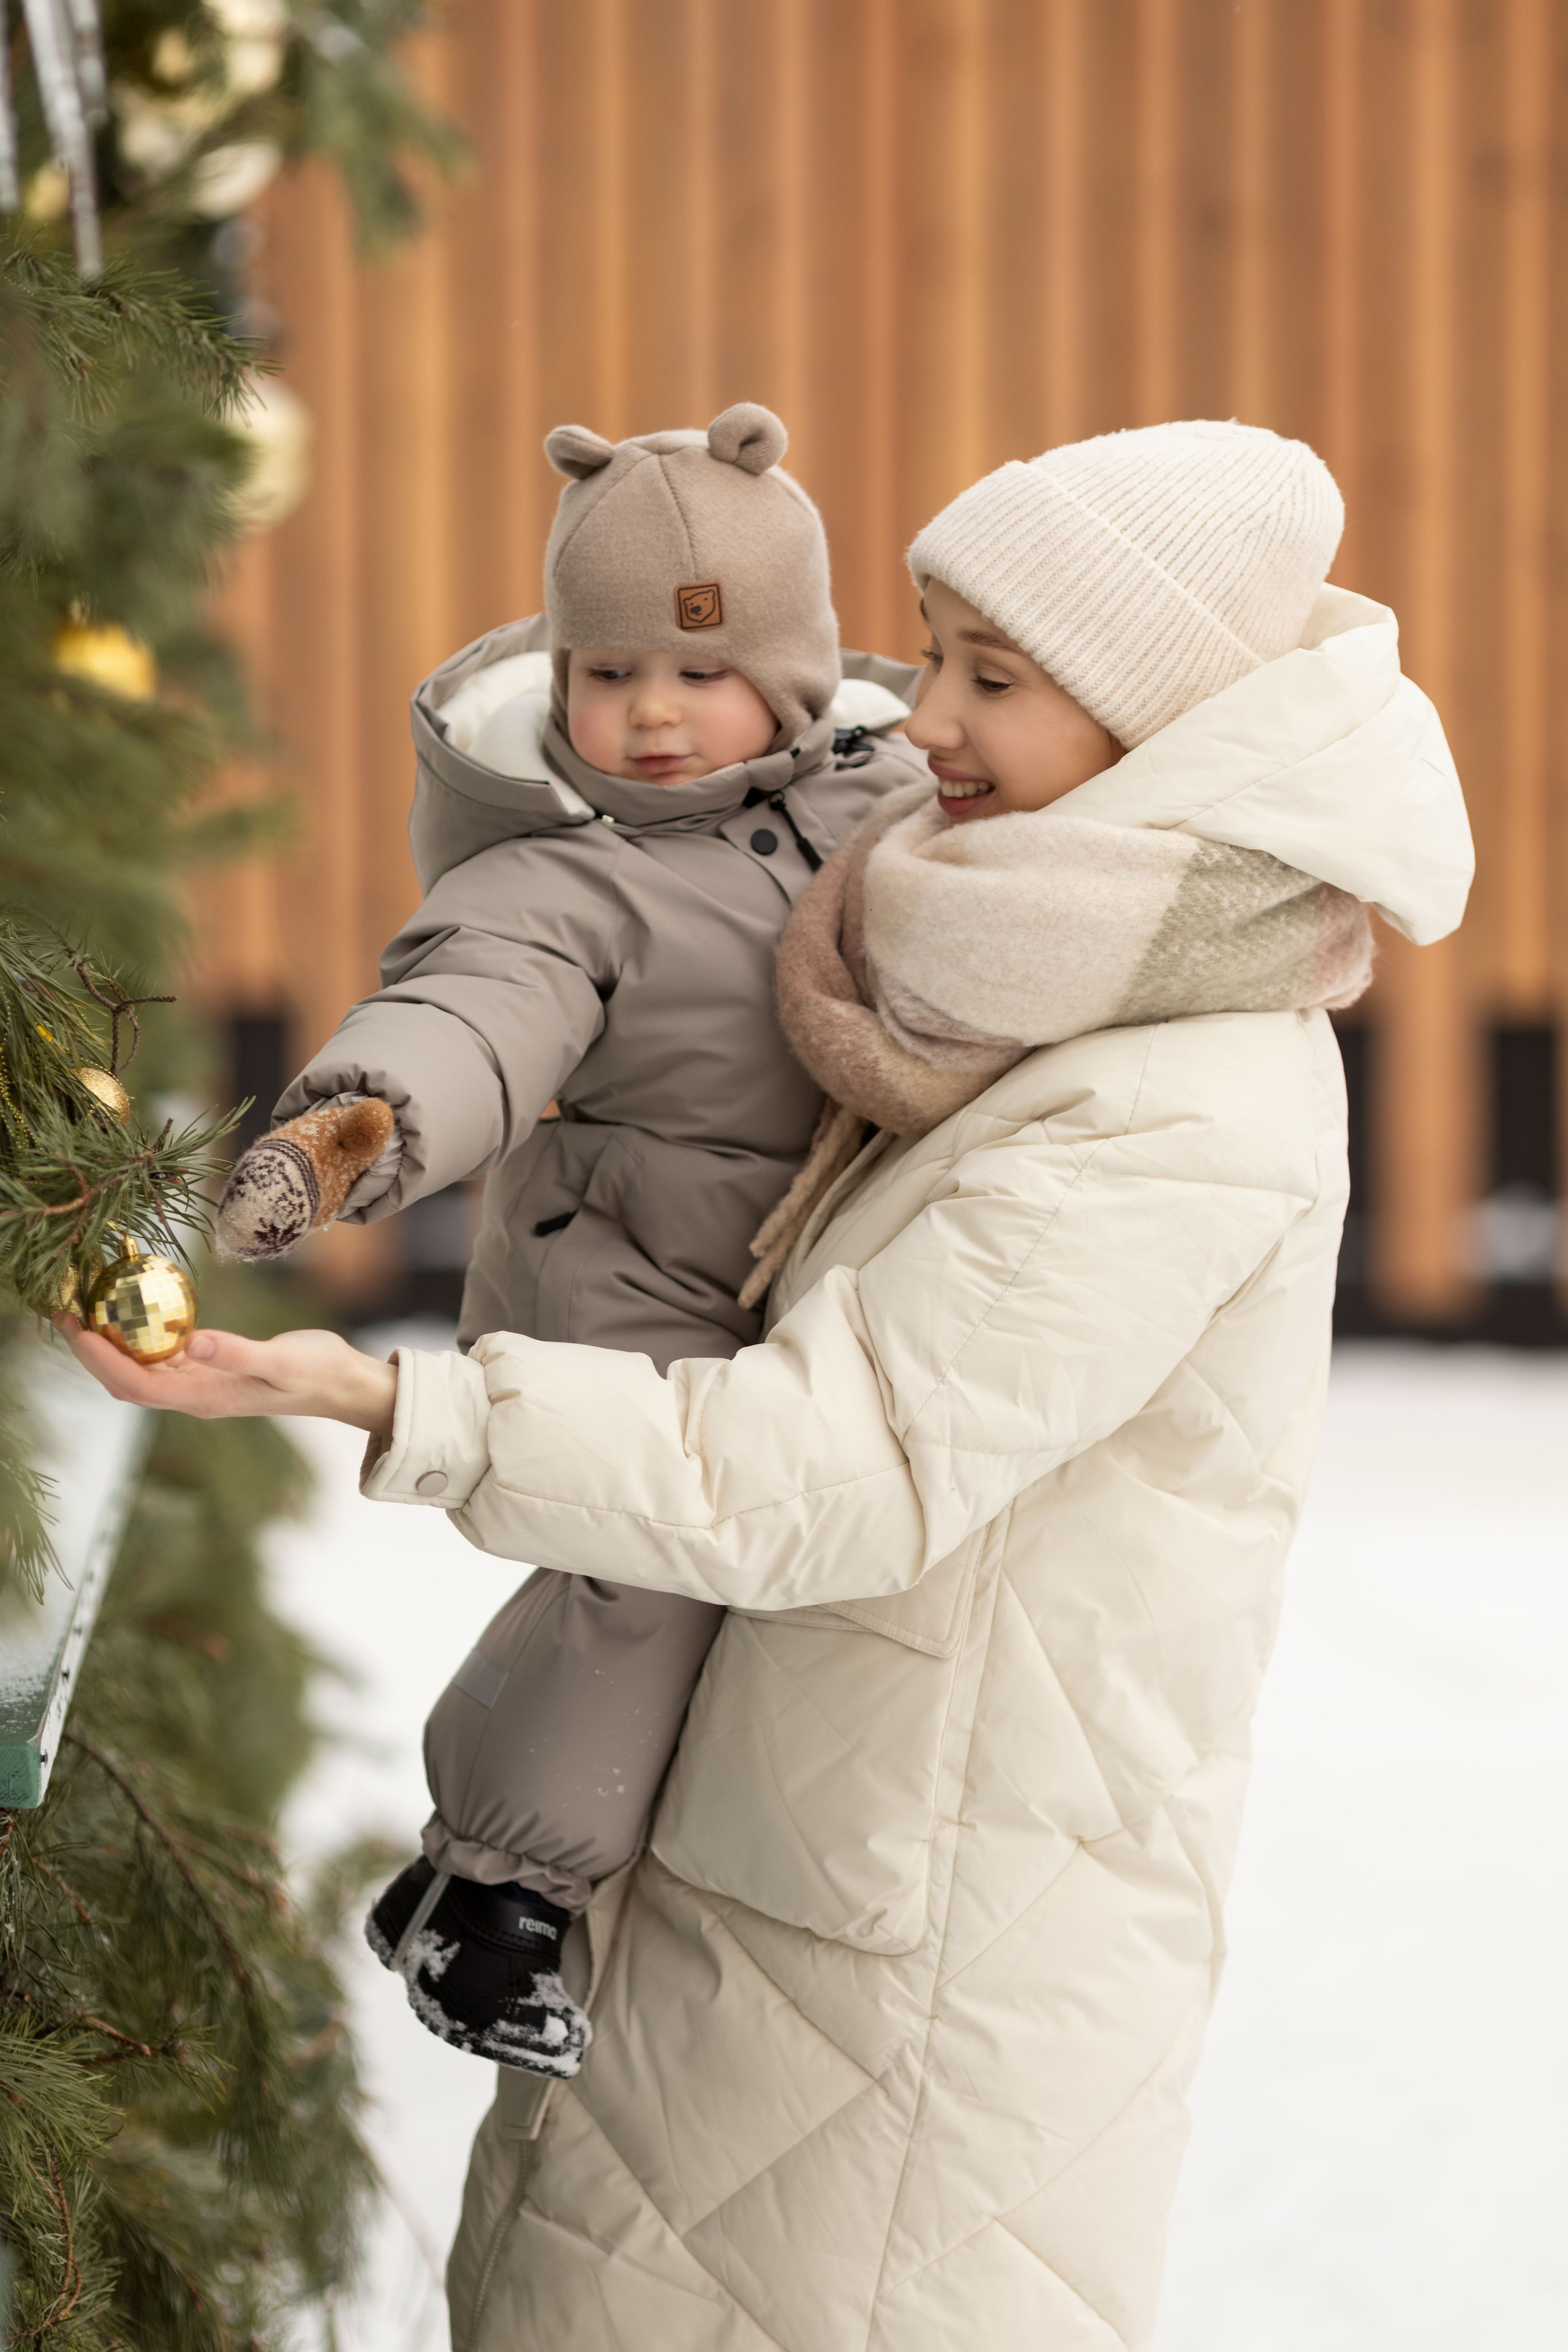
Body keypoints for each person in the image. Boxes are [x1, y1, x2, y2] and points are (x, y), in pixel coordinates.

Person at [68, 419, 1473, 2349]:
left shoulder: (1175, 1094)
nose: (930, 721)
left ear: (1160, 728)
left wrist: (396, 1403)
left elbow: (831, 1465)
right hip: (788, 1863)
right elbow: (497, 993)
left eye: (993, 679)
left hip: (904, 1949)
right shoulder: (993, 963)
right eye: (933, 653)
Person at [209, 400, 925, 2075]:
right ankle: (494, 1891)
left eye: (698, 668)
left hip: (805, 1263)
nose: (652, 713)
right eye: (608, 674)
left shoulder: (887, 797)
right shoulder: (563, 880)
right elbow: (472, 1013)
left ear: (802, 673)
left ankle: (451, 1884)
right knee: (643, 1569)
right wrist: (358, 1129)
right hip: (639, 1273)